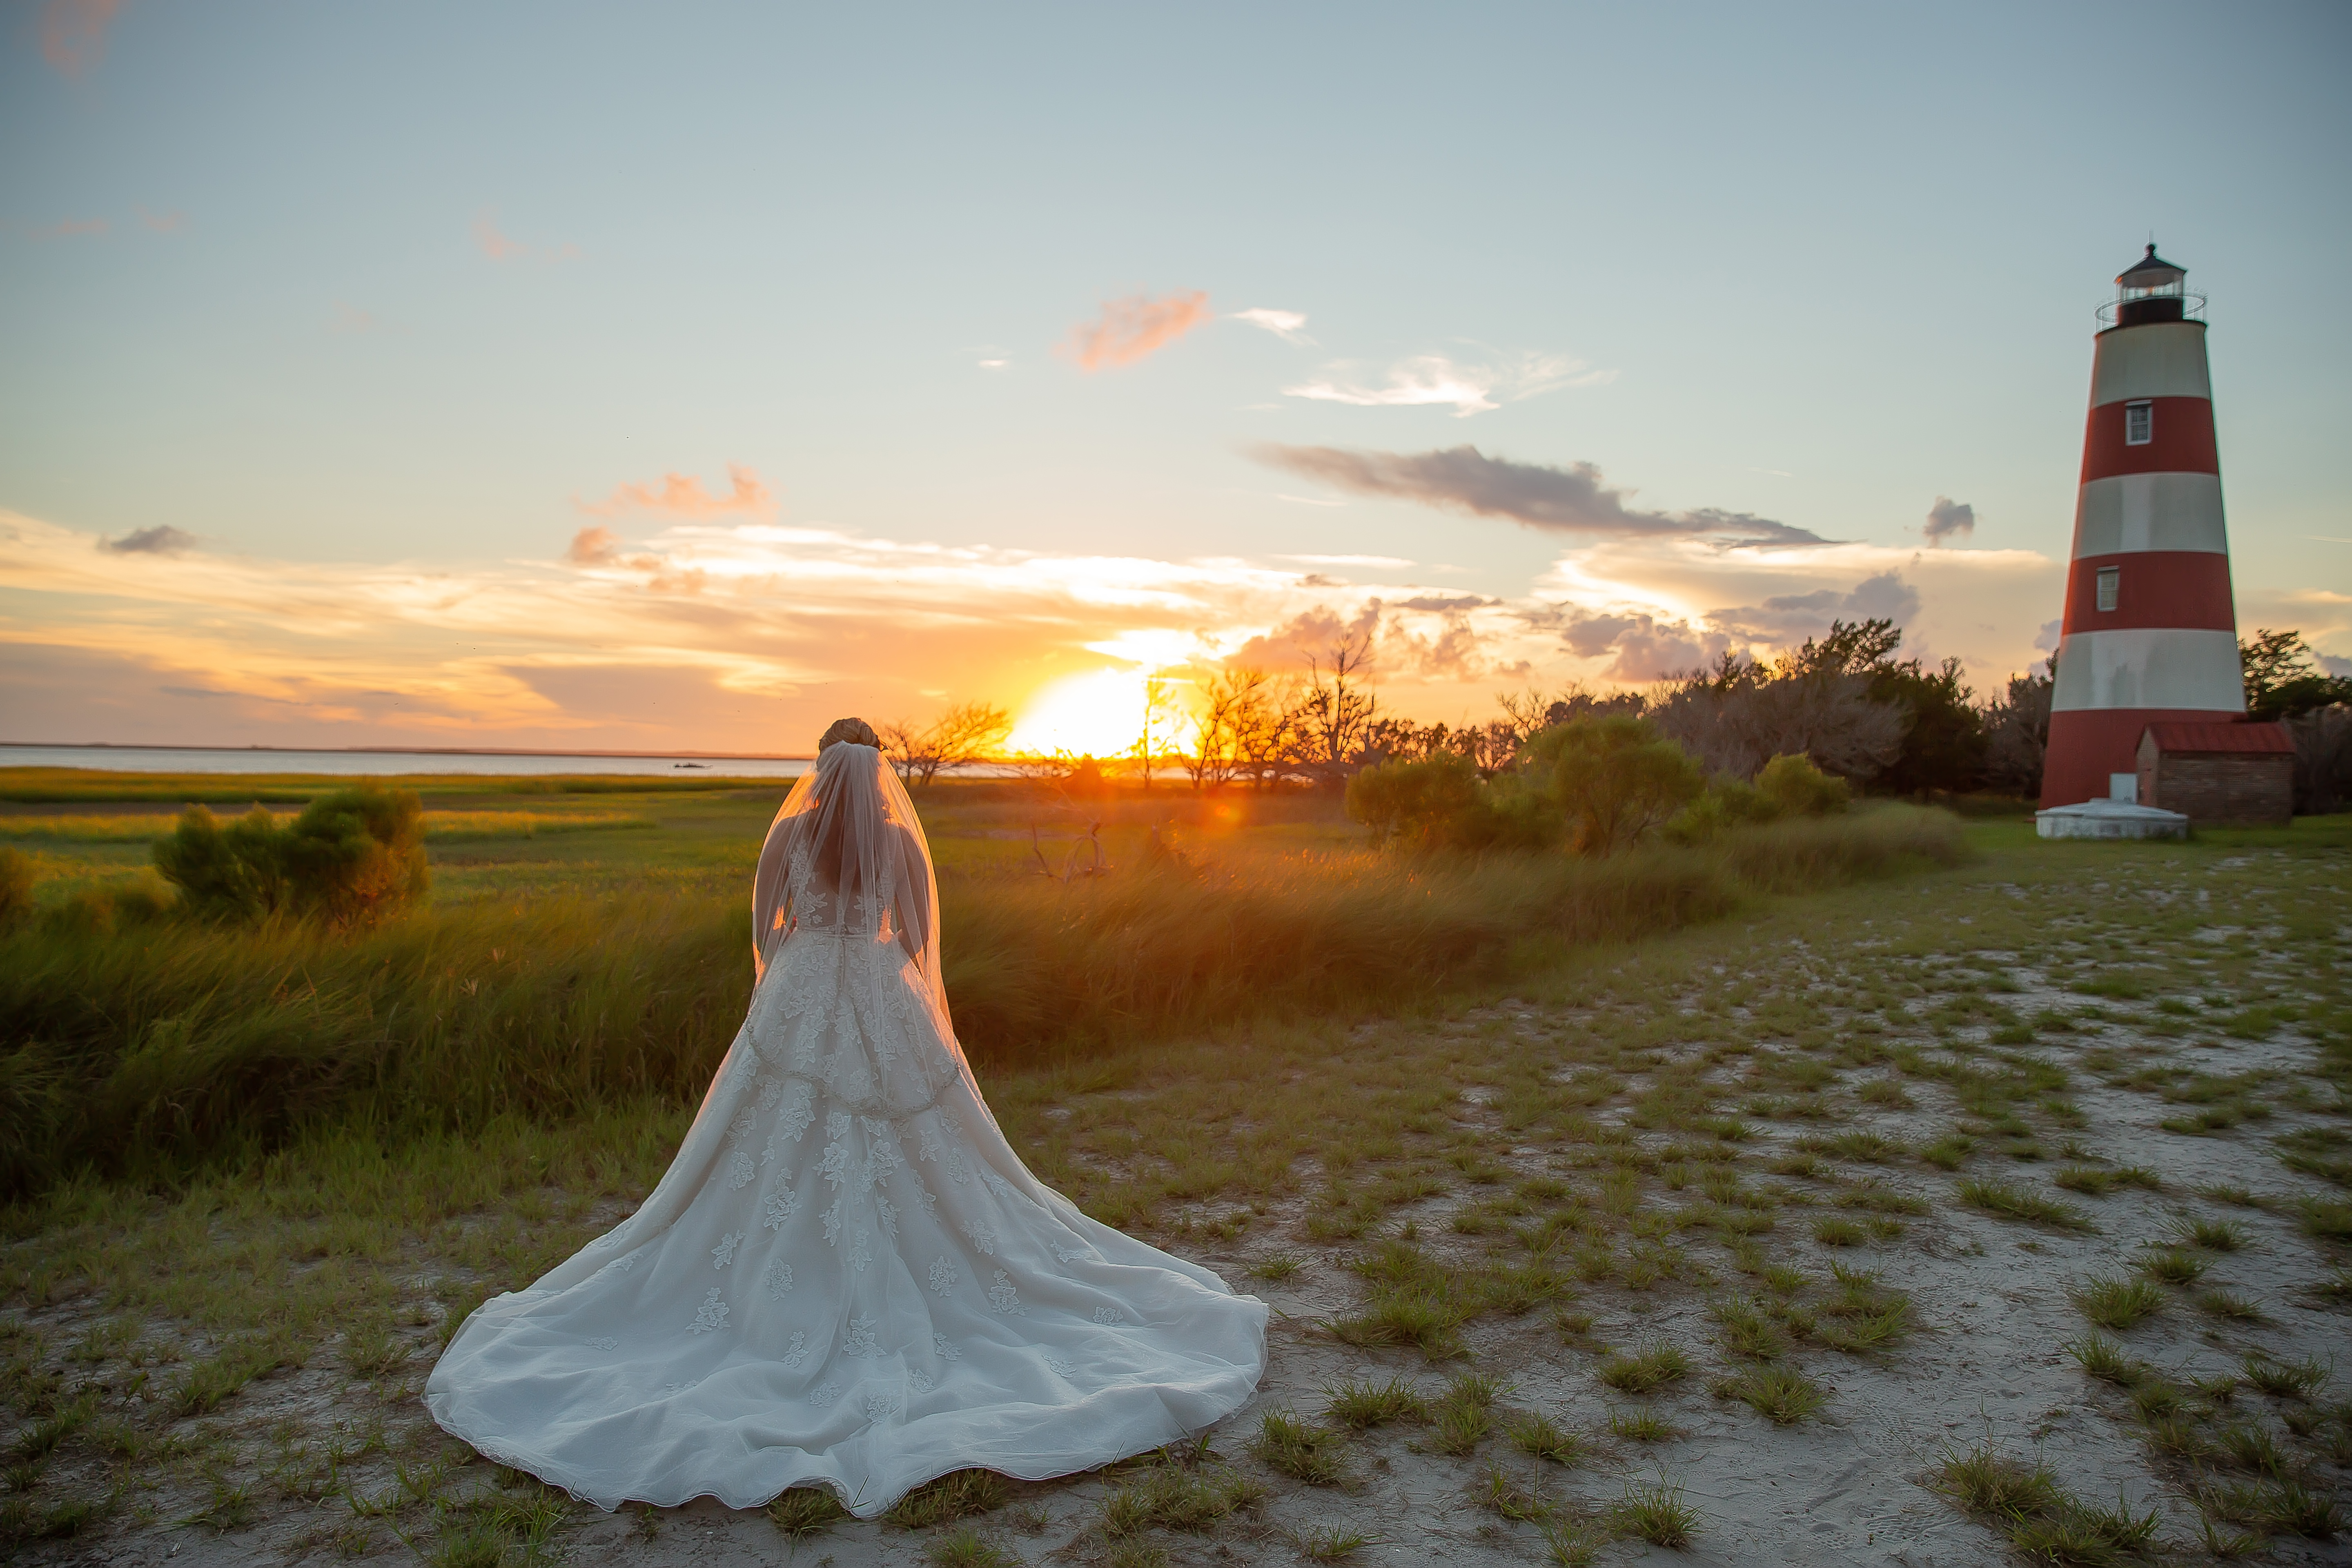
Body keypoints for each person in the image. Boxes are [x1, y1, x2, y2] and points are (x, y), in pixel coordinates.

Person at [425, 720, 1267, 1516]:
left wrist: (792, 991)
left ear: (820, 771)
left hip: (797, 993)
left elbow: (765, 932)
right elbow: (918, 944)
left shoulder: (790, 837)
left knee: (771, 1144)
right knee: (918, 1151)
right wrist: (887, 1000)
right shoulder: (901, 843)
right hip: (878, 988)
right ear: (879, 778)